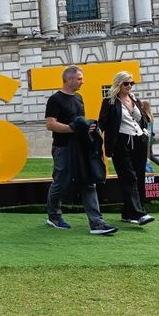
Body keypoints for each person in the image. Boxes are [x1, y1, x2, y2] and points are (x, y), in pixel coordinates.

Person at [45, 65, 117, 235]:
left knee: (88, 181)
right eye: (79, 79)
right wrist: (73, 128)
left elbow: (79, 122)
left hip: (81, 147)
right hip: (62, 148)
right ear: (68, 79)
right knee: (61, 182)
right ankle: (54, 216)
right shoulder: (55, 99)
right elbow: (50, 124)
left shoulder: (78, 97)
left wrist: (88, 128)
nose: (82, 82)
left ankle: (97, 223)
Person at [98, 72, 155, 226]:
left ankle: (129, 213)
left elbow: (141, 119)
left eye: (131, 83)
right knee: (129, 178)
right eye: (126, 83)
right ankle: (138, 214)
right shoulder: (109, 102)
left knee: (139, 176)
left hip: (139, 141)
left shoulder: (135, 100)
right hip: (121, 142)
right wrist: (94, 135)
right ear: (118, 84)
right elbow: (102, 124)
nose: (129, 86)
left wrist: (144, 131)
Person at [141, 100, 159, 174]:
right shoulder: (150, 116)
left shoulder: (144, 116)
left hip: (146, 138)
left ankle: (153, 169)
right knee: (149, 156)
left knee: (146, 156)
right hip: (150, 138)